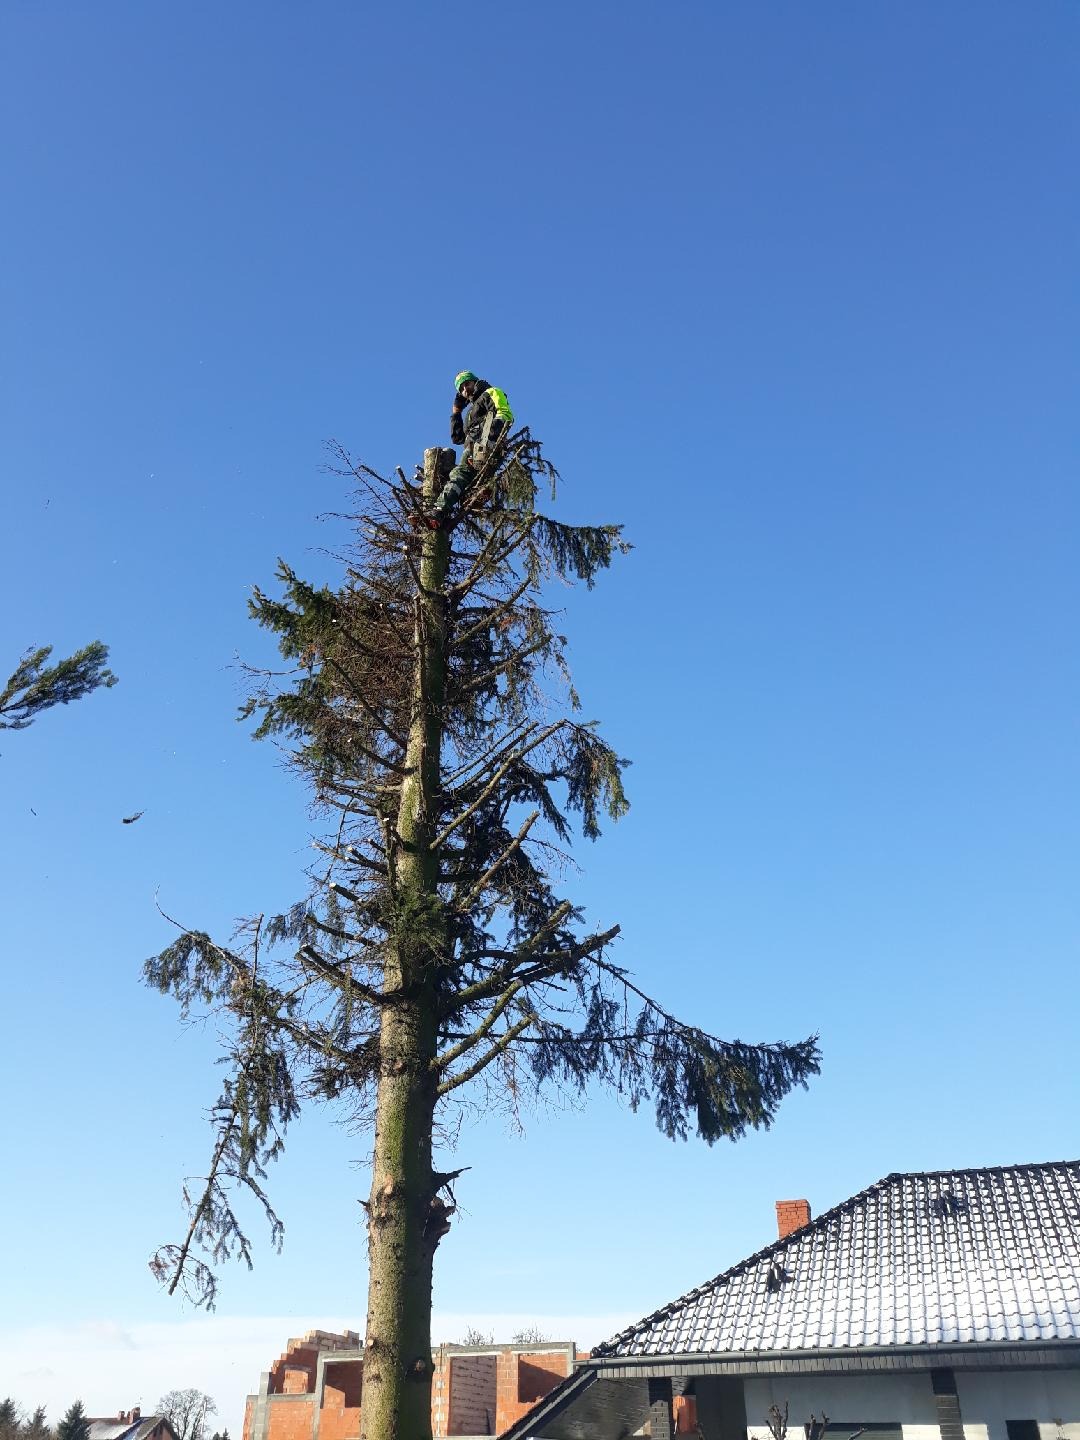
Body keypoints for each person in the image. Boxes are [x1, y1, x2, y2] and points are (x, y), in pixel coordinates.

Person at [426, 371, 514, 528]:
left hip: (485, 444)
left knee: (460, 474)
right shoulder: (470, 412)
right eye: (461, 389)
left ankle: (439, 511)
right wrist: (456, 411)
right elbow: (457, 438)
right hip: (472, 447)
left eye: (467, 384)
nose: (465, 389)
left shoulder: (491, 392)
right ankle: (471, 496)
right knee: (458, 475)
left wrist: (487, 442)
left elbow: (505, 415)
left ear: (475, 382)